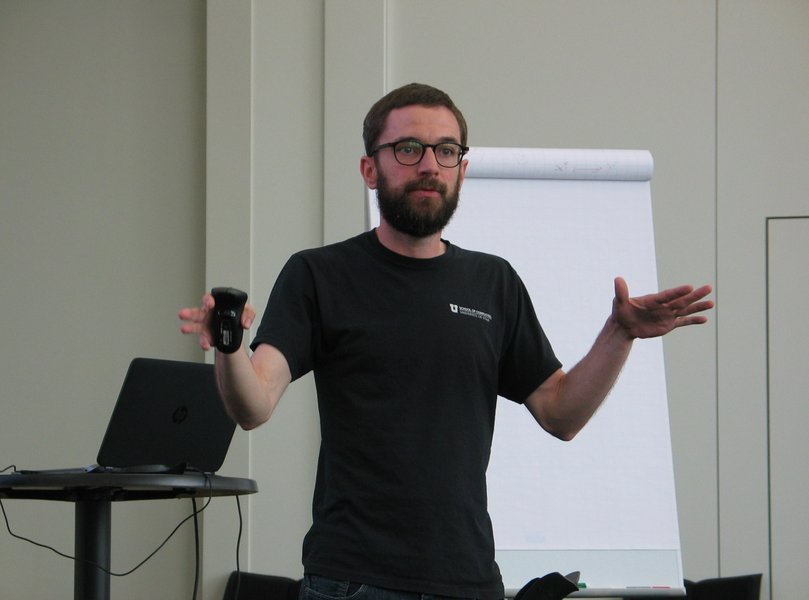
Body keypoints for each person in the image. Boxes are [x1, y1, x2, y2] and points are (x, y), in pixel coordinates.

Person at [179, 83, 713, 600]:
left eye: (447, 150)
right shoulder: (319, 274)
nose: (430, 165)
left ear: (462, 168)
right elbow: (253, 405)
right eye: (408, 148)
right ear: (370, 169)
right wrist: (229, 346)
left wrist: (620, 333)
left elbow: (561, 414)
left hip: (468, 578)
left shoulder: (494, 282)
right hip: (354, 579)